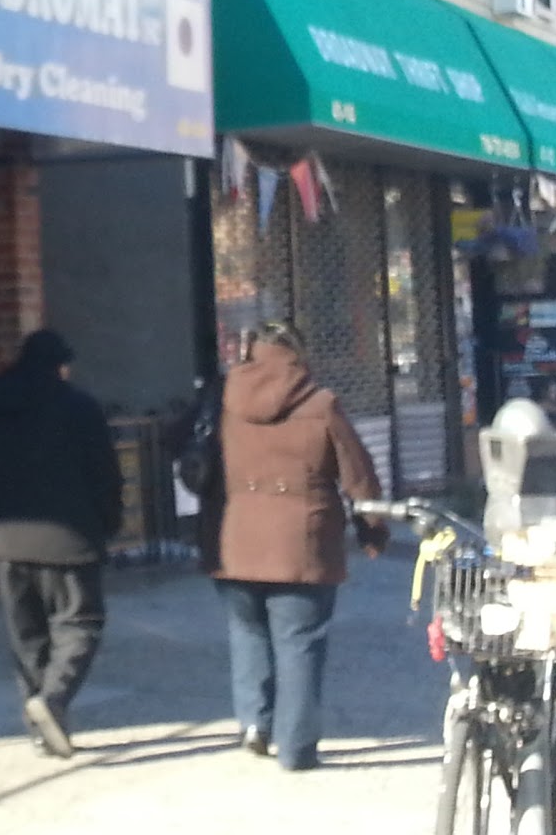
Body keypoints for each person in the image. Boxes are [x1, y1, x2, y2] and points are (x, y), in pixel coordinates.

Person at [204, 319, 386, 772]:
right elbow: (358, 476)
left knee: (246, 633)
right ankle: (296, 747)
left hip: (237, 539)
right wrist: (373, 529)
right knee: (299, 642)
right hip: (301, 544)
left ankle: (254, 722)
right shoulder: (321, 404)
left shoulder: (225, 400)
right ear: (298, 356)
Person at [0, 329, 123, 759]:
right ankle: (52, 702)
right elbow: (104, 474)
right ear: (60, 364)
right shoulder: (80, 408)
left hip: (8, 541)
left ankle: (42, 727)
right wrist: (107, 524)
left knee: (27, 636)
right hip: (70, 539)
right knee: (80, 624)